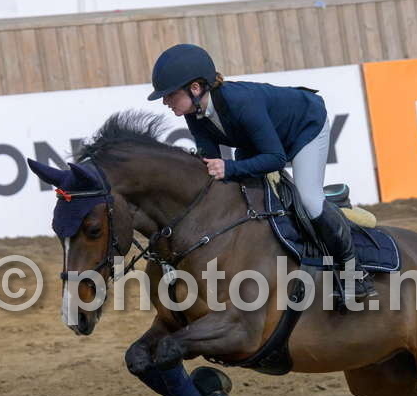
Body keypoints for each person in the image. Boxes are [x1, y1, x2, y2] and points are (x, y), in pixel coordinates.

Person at [148, 43, 376, 303]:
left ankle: (355, 274)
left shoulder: (240, 102)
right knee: (245, 194)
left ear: (196, 88)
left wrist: (229, 167)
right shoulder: (194, 113)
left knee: (309, 200)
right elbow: (211, 165)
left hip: (304, 128)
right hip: (258, 141)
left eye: (170, 94)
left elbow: (275, 158)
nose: (165, 101)